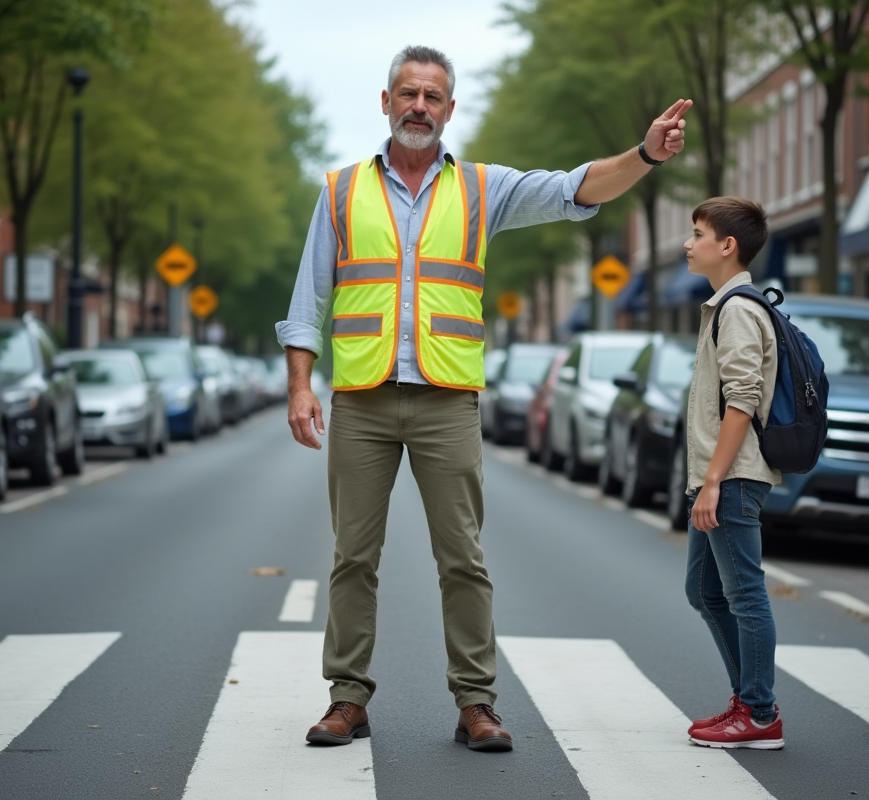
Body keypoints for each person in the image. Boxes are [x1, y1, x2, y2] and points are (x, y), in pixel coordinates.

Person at [276, 45, 690, 752]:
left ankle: (476, 702)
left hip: (446, 400)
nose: (418, 107)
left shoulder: (481, 188)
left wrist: (643, 156)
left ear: (449, 109)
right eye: (407, 94)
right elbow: (311, 293)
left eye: (432, 97)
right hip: (365, 400)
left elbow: (573, 190)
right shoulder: (343, 190)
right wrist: (299, 385)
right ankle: (347, 698)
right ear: (385, 102)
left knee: (463, 558)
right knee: (353, 556)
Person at [682, 197, 785, 750]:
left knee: (744, 594)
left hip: (733, 478)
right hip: (716, 477)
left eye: (698, 233)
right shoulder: (723, 305)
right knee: (704, 590)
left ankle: (761, 713)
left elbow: (741, 400)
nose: (687, 242)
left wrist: (715, 481)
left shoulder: (738, 309)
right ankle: (748, 699)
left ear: (728, 246)